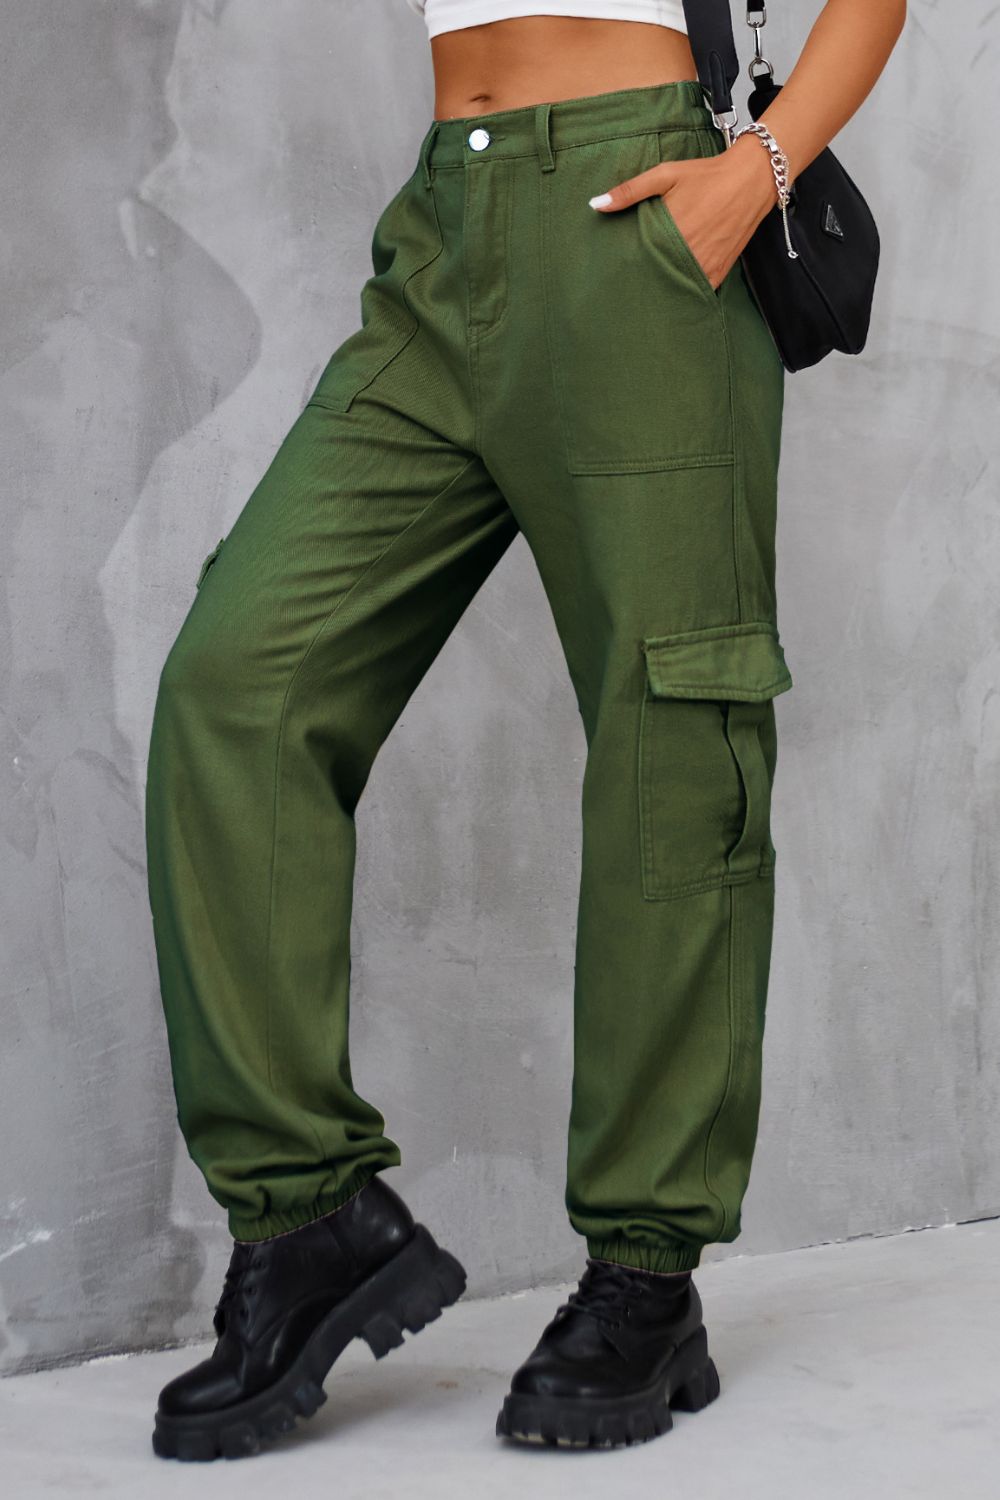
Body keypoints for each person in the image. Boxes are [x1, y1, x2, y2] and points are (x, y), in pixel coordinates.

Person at [145, 0, 906, 1462]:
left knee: (671, 738)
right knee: (238, 687)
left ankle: (645, 1274)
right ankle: (305, 1220)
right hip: (446, 224)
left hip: (646, 207)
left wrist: (755, 173)